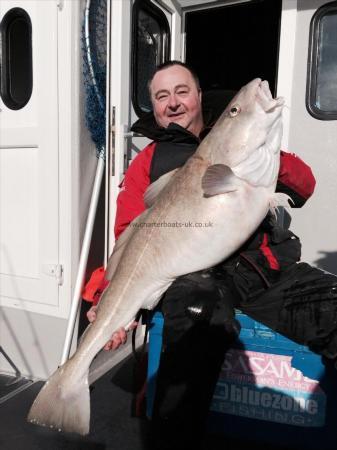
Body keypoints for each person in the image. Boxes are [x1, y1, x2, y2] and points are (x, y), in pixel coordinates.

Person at [83, 61, 337, 449]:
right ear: (153, 106)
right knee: (196, 310)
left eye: (181, 91)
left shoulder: (241, 143)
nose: (173, 103)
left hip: (266, 273)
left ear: (200, 96)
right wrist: (110, 302)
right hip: (197, 280)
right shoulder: (146, 163)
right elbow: (127, 238)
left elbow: (306, 185)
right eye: (161, 96)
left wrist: (261, 150)